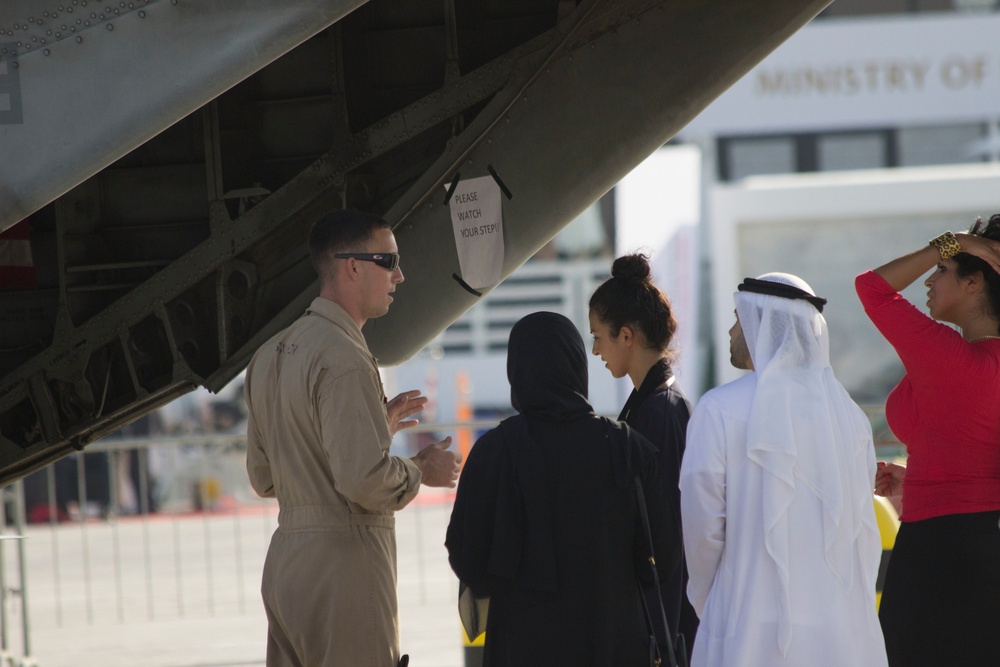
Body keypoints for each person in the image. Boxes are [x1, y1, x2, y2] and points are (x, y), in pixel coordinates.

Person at [244, 209, 462, 667]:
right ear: (352, 266)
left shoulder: (268, 356)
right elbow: (363, 482)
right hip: (342, 570)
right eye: (389, 260)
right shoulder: (345, 356)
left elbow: (265, 478)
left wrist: (368, 431)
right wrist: (421, 469)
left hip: (287, 567)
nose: (399, 275)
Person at [445, 311, 682, 666]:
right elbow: (662, 558)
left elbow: (466, 555)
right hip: (613, 643)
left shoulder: (493, 453)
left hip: (520, 646)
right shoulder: (628, 448)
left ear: (516, 369)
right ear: (576, 364)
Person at [680, 273, 887, 667]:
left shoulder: (719, 409)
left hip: (748, 630)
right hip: (839, 634)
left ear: (761, 322)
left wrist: (715, 605)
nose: (731, 330)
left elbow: (703, 530)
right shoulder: (851, 417)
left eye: (738, 319)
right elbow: (864, 539)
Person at [857, 215, 1000, 667]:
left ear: (974, 282)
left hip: (940, 551)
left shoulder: (949, 357)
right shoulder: (957, 359)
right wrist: (917, 479)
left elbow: (872, 288)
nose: (929, 281)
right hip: (977, 546)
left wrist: (949, 241)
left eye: (942, 269)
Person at [588, 253, 698, 655]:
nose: (596, 350)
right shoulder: (657, 403)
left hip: (666, 620)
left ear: (626, 335)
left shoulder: (659, 411)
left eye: (598, 336)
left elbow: (665, 537)